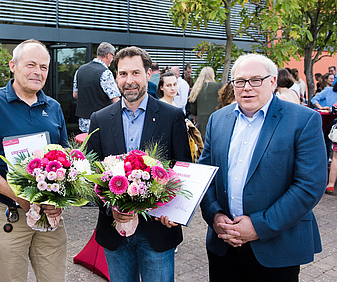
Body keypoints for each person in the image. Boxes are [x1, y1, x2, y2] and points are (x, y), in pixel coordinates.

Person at [199, 53, 327, 281]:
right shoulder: (217, 120)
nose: (247, 87)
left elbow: (309, 185)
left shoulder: (303, 120)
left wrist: (258, 226)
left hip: (276, 248)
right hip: (224, 245)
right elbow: (205, 174)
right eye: (240, 81)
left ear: (272, 82)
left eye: (256, 80)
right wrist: (215, 215)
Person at [87, 46, 192, 281]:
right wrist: (111, 207)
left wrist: (174, 211)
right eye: (123, 74)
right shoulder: (100, 119)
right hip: (115, 231)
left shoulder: (172, 116)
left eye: (135, 73)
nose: (129, 81)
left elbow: (183, 170)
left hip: (157, 231)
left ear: (148, 74)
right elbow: (90, 177)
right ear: (116, 77)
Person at [0, 39, 68, 282]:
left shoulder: (53, 107)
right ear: (13, 65)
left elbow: (67, 161)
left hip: (49, 215)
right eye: (30, 64)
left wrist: (59, 200)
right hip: (8, 212)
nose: (38, 72)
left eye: (44, 67)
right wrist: (19, 196)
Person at [73, 42, 120, 133]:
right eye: (113, 56)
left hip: (83, 121)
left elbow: (75, 95)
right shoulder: (105, 73)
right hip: (101, 121)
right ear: (108, 55)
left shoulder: (80, 70)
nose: (112, 59)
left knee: (86, 145)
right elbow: (116, 100)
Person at [188, 67, 222, 138]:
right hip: (216, 122)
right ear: (213, 75)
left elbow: (194, 111)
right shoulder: (218, 86)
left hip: (201, 123)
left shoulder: (196, 89)